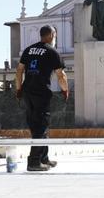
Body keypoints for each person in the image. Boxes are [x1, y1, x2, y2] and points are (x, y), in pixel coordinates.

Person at [15, 25, 69, 172]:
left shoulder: (28, 50)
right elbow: (61, 75)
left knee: (35, 124)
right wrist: (65, 90)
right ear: (51, 35)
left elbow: (19, 71)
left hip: (27, 91)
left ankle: (43, 158)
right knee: (42, 126)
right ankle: (33, 162)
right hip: (41, 92)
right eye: (55, 36)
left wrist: (18, 88)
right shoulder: (52, 52)